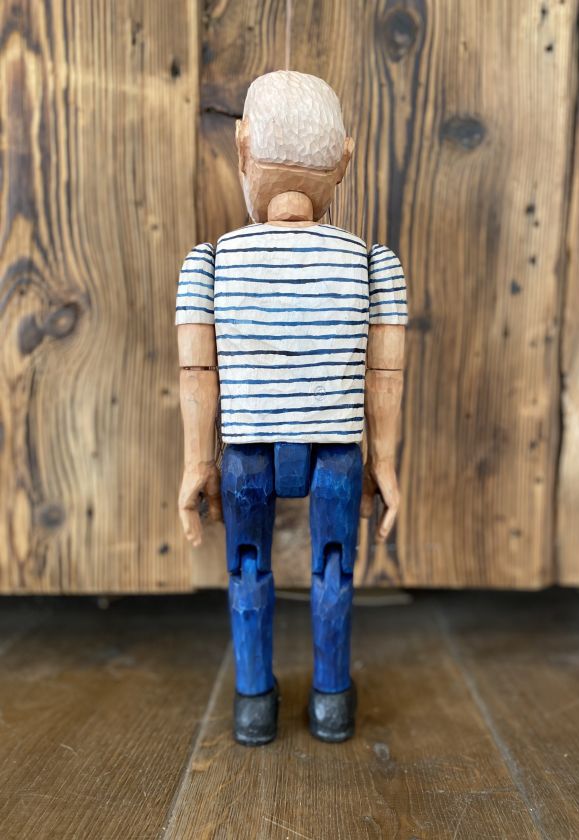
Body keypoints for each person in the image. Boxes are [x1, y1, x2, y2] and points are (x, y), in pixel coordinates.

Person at [176, 71, 407, 745]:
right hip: (337, 448)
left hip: (246, 449)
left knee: (246, 567)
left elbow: (197, 371)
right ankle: (332, 700)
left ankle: (254, 702)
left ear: (242, 146)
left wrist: (197, 462)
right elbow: (385, 373)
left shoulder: (209, 263)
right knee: (335, 566)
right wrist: (385, 461)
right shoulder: (374, 263)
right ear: (345, 159)